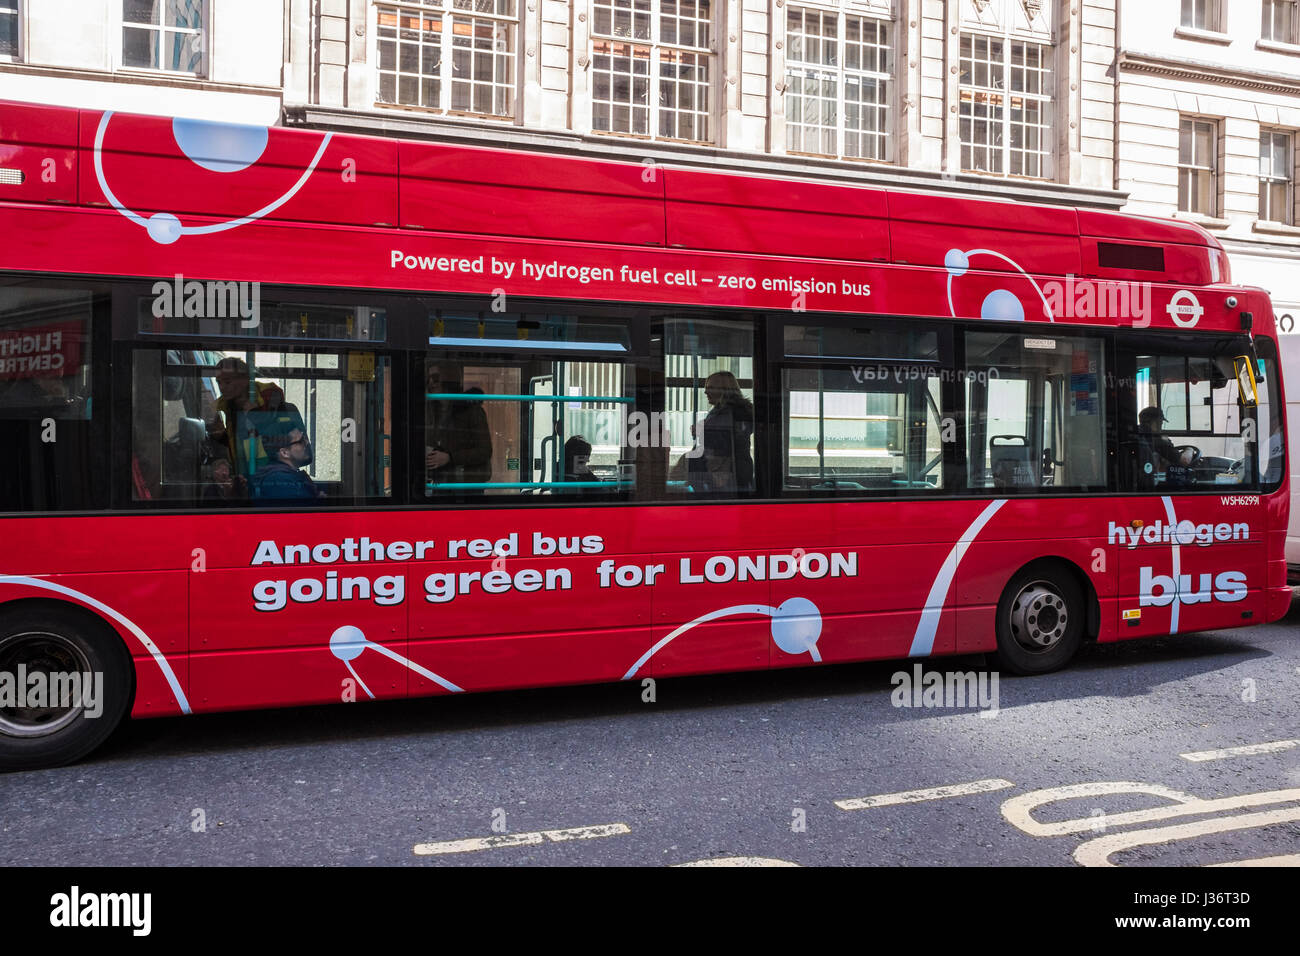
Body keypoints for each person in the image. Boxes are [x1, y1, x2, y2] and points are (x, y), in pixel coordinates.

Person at [207, 357, 298, 481]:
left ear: (245, 379)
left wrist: (255, 415)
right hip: (245, 473)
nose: (222, 387)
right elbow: (239, 440)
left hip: (274, 474)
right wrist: (221, 438)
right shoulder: (227, 406)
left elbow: (277, 437)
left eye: (227, 382)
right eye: (219, 382)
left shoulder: (269, 398)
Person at [425, 364, 493, 486]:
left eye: (435, 378)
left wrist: (450, 457)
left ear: (448, 379)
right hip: (440, 482)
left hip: (465, 485)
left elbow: (485, 451)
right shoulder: (431, 410)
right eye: (428, 379)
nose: (430, 383)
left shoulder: (471, 410)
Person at [689, 371, 754, 493]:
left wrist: (702, 431)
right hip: (724, 471)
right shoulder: (725, 410)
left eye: (711, 388)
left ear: (724, 389)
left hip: (728, 472)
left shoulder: (735, 411)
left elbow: (728, 440)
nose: (706, 392)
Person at [252, 424, 322, 501]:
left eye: (305, 438)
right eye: (301, 441)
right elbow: (304, 509)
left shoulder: (287, 475)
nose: (307, 442)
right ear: (284, 453)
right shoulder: (280, 480)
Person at [1136, 406, 1195, 487]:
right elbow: (1184, 460)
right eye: (1161, 422)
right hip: (1147, 484)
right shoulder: (1155, 438)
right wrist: (1190, 449)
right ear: (1154, 422)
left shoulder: (1137, 432)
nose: (1161, 425)